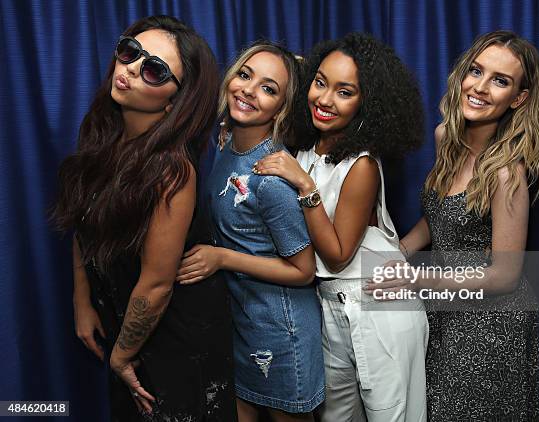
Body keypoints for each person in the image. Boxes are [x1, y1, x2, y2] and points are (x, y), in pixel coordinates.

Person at [52, 15, 236, 421]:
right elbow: (85, 228)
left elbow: (156, 285)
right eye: (130, 51)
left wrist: (121, 357)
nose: (132, 68)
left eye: (154, 69)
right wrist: (82, 300)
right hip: (129, 329)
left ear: (175, 99)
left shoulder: (172, 171)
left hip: (176, 339)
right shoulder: (102, 137)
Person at [365, 30, 539, 421]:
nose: (480, 87)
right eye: (476, 71)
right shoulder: (445, 137)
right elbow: (438, 218)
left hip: (491, 323)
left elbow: (504, 275)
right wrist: (394, 253)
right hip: (443, 308)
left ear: (518, 99)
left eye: (500, 81)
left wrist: (416, 279)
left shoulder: (507, 173)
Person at [252, 33, 429, 422]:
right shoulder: (303, 151)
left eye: (344, 91)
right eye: (319, 82)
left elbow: (335, 255)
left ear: (367, 102)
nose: (325, 99)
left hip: (380, 309)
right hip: (328, 309)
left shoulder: (362, 165)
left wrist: (305, 185)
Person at [176, 41, 324, 422]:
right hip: (243, 322)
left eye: (268, 88)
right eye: (245, 75)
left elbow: (304, 271)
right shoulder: (226, 143)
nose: (248, 89)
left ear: (282, 108)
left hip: (281, 329)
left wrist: (221, 258)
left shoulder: (270, 177)